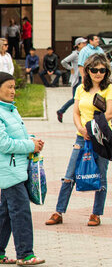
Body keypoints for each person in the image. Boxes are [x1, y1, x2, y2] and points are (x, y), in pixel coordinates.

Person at [0, 72, 46, 266]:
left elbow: (16, 135)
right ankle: (25, 254)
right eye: (9, 87)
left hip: (18, 166)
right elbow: (3, 144)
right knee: (20, 211)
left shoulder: (8, 108)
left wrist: (31, 140)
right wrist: (29, 145)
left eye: (14, 87)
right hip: (9, 169)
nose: (13, 91)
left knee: (7, 211)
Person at [46, 53, 112, 227]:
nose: (98, 73)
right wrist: (80, 128)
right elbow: (76, 112)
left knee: (101, 176)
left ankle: (96, 214)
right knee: (70, 174)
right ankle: (58, 211)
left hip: (102, 137)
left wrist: (92, 127)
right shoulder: (81, 88)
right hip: (82, 137)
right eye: (94, 70)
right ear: (88, 70)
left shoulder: (109, 88)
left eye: (102, 70)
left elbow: (110, 113)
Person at [57, 38, 88, 122]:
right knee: (75, 98)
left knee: (81, 98)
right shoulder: (75, 54)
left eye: (85, 43)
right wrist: (70, 68)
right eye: (83, 43)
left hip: (84, 78)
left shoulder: (85, 53)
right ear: (78, 45)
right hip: (78, 79)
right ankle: (61, 111)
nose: (85, 44)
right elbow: (64, 61)